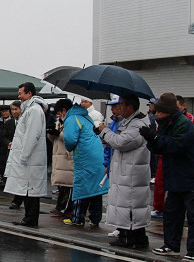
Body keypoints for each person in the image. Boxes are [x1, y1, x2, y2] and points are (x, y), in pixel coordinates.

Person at [141, 93, 194, 260]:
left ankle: (192, 251)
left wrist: (156, 138)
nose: (156, 115)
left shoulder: (184, 124)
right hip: (174, 176)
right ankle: (171, 245)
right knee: (172, 214)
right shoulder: (165, 123)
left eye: (159, 112)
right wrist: (152, 139)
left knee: (192, 217)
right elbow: (159, 149)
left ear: (168, 111)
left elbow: (177, 146)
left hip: (189, 176)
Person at [98, 95, 151, 248]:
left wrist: (105, 132)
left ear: (131, 107)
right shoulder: (128, 122)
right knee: (126, 205)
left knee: (131, 206)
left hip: (132, 172)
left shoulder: (138, 124)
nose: (119, 108)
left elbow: (121, 142)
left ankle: (131, 238)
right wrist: (107, 138)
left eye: (122, 104)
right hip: (126, 169)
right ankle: (128, 236)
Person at [4, 83, 48, 226]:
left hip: (30, 158)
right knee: (27, 189)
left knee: (30, 189)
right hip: (28, 156)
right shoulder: (30, 109)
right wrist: (15, 145)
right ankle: (29, 217)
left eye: (21, 93)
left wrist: (24, 155)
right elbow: (23, 135)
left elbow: (31, 135)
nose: (19, 96)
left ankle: (31, 218)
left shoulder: (34, 110)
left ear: (29, 94)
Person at [62, 102, 108, 227]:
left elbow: (70, 140)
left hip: (85, 156)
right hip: (97, 155)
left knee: (82, 186)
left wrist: (68, 147)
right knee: (95, 188)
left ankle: (77, 218)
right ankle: (95, 218)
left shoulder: (72, 118)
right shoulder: (86, 117)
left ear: (65, 111)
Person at [46, 99, 74, 217]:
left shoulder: (71, 121)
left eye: (59, 112)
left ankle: (66, 207)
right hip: (58, 154)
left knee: (68, 184)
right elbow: (54, 139)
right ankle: (60, 206)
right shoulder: (60, 122)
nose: (57, 115)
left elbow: (71, 138)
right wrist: (52, 133)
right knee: (61, 184)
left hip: (67, 156)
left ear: (64, 110)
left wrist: (60, 134)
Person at [102, 95, 124, 237]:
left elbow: (118, 142)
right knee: (114, 196)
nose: (113, 110)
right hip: (113, 162)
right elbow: (108, 146)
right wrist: (106, 163)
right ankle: (118, 225)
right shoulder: (113, 122)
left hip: (123, 165)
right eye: (112, 107)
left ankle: (122, 226)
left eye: (116, 106)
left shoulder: (125, 123)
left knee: (122, 197)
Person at [4, 101, 23, 209]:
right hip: (11, 151)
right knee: (13, 176)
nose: (14, 111)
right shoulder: (9, 123)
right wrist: (9, 143)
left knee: (20, 176)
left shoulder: (24, 121)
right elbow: (4, 136)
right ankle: (16, 199)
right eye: (13, 109)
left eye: (16, 109)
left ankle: (18, 199)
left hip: (21, 152)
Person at [0, 105, 11, 183]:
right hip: (0, 144)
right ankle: (0, 175)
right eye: (3, 111)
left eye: (6, 111)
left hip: (9, 143)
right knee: (0, 160)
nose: (5, 113)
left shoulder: (12, 121)